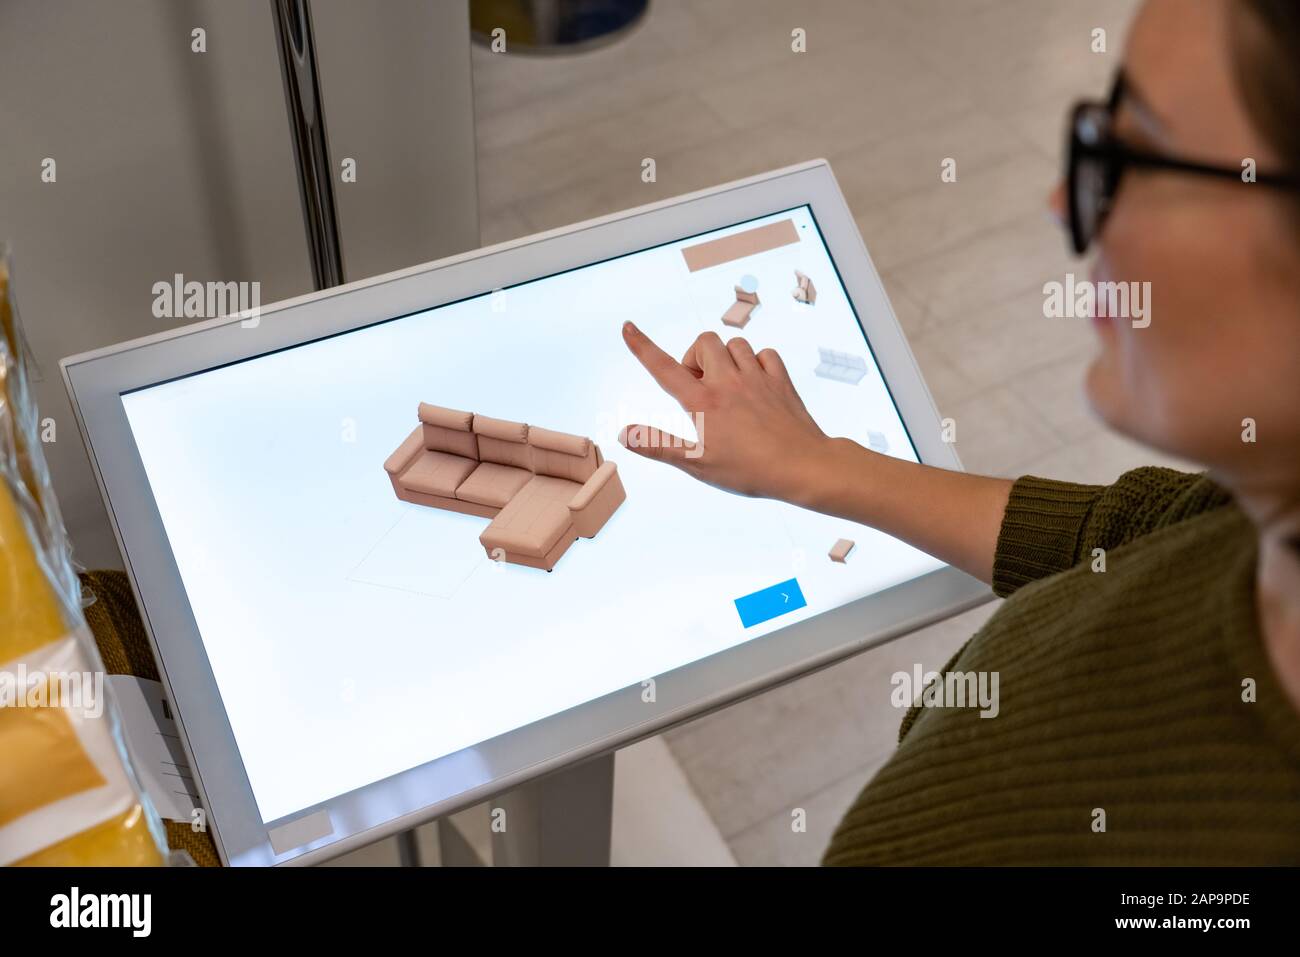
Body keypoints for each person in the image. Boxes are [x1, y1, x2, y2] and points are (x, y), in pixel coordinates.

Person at [618, 0, 1300, 864]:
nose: (1063, 202)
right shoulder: (1256, 520)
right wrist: (818, 462)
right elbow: (1134, 539)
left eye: (1141, 157)